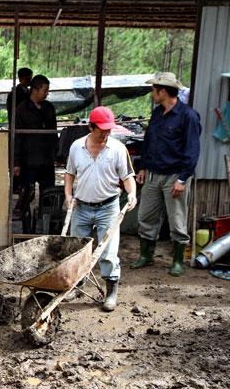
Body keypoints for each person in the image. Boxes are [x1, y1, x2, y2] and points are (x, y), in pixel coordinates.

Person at [64, 106, 137, 312]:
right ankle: (77, 286)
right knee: (78, 250)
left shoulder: (118, 149)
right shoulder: (76, 147)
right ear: (90, 126)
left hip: (108, 207)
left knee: (108, 252)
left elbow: (127, 177)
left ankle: (111, 292)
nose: (106, 133)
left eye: (109, 129)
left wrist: (131, 193)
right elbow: (69, 173)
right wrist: (69, 196)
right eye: (101, 129)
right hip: (82, 206)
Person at [130, 72, 201, 276]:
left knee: (177, 220)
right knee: (146, 217)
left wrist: (182, 178)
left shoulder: (188, 116)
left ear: (162, 91)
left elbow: (192, 150)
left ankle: (177, 261)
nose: (152, 93)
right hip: (152, 173)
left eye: (153, 90)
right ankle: (146, 256)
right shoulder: (157, 113)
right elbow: (149, 143)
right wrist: (142, 167)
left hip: (174, 176)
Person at [14, 75, 59, 192]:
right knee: (26, 195)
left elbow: (54, 133)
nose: (47, 93)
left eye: (48, 91)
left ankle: (45, 211)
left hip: (47, 161)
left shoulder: (49, 108)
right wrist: (16, 162)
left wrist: (57, 153)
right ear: (34, 90)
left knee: (48, 194)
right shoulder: (21, 110)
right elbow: (17, 138)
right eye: (45, 91)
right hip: (29, 162)